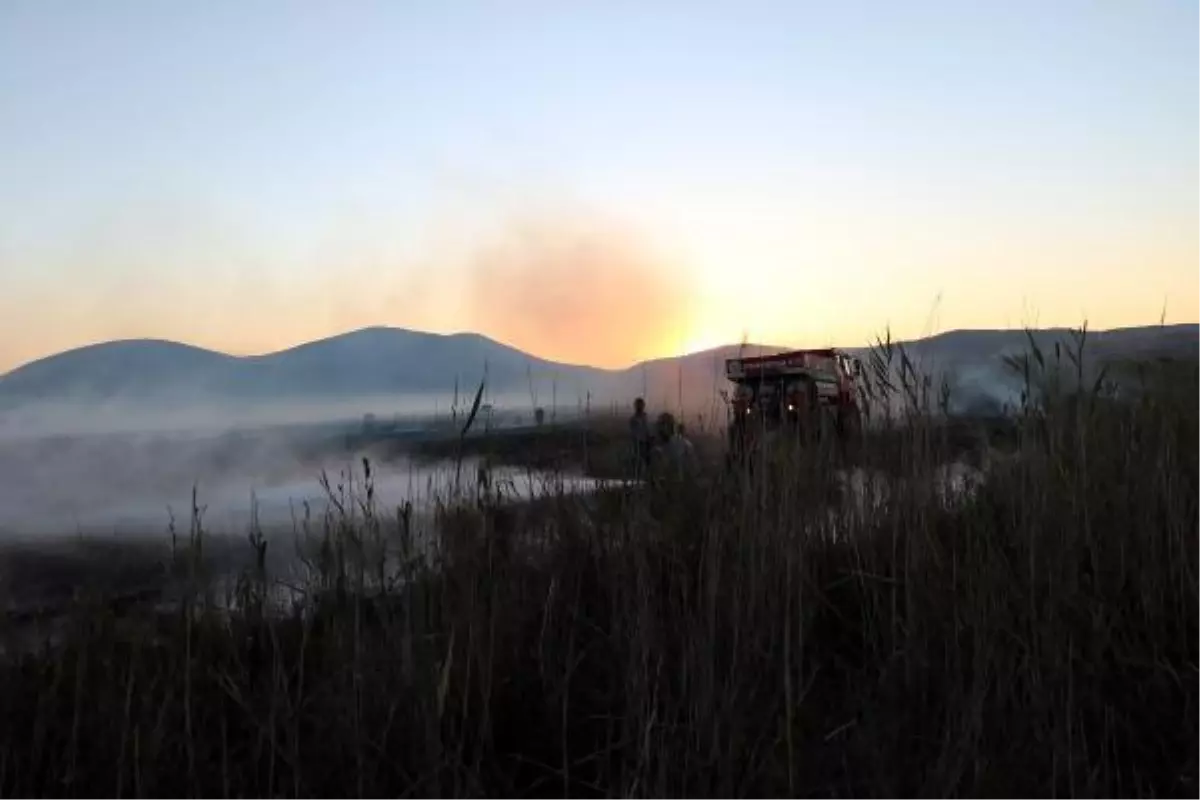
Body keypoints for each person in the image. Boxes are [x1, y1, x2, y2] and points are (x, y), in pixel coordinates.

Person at [629, 397, 652, 471]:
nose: (640, 407)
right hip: (638, 442)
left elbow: (647, 428)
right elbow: (634, 431)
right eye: (638, 405)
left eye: (641, 405)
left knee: (647, 459)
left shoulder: (645, 417)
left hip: (646, 441)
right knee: (638, 459)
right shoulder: (634, 419)